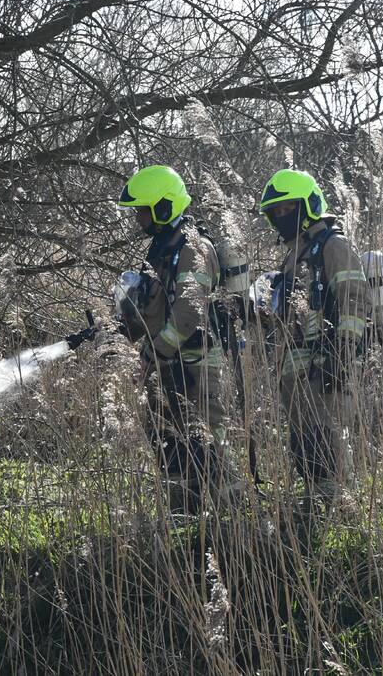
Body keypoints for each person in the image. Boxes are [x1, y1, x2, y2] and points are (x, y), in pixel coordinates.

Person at [115, 165, 238, 513]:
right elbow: (150, 308)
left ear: (165, 206)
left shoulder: (192, 247)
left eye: (143, 210)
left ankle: (239, 525)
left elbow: (189, 311)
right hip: (165, 363)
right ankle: (185, 521)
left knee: (209, 446)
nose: (138, 218)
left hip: (195, 364)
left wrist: (153, 353)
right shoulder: (160, 248)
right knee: (169, 447)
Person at [258, 169, 372, 506]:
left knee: (329, 436)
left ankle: (340, 511)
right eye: (275, 212)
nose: (281, 217)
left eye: (287, 208)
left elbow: (354, 299)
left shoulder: (333, 245)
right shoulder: (295, 255)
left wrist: (342, 352)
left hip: (329, 359)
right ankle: (315, 504)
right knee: (303, 441)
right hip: (298, 368)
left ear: (307, 205)